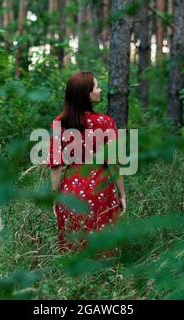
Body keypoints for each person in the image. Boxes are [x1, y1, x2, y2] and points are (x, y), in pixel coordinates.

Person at [47, 71, 126, 253]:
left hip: (70, 193)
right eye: (96, 87)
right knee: (102, 248)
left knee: (73, 248)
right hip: (101, 189)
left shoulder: (59, 123)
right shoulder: (105, 122)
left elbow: (56, 165)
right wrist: (121, 194)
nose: (100, 90)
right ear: (86, 94)